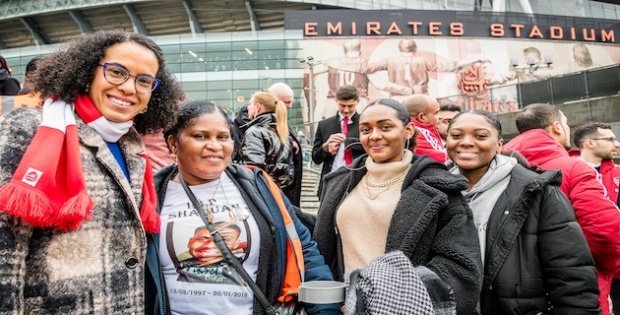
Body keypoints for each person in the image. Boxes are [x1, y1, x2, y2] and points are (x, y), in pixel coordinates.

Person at [0, 30, 184, 314]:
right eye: (116, 72)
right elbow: (5, 252)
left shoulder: (131, 144)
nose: (128, 87)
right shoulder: (28, 128)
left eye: (144, 81)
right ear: (87, 72)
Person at [146, 100, 341, 315]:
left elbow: (302, 250)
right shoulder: (149, 196)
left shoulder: (259, 186)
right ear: (174, 143)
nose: (215, 145)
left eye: (222, 137)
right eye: (200, 136)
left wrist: (326, 310)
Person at [313, 98, 482, 314]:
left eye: (385, 127)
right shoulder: (341, 181)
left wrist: (383, 299)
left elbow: (460, 268)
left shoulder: (439, 187)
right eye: (366, 129)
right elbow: (324, 234)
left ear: (408, 130)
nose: (374, 136)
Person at [447, 110, 600, 314]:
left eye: (480, 136)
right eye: (456, 135)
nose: (466, 142)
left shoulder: (538, 193)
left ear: (499, 144)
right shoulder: (431, 192)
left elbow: (572, 277)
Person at [503, 103, 620, 315]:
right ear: (557, 127)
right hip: (575, 290)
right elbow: (605, 233)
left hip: (511, 294)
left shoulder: (499, 168)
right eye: (566, 124)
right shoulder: (573, 167)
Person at [573, 122, 620, 314]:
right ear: (589, 143)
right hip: (583, 264)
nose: (616, 144)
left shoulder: (618, 172)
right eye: (610, 139)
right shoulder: (567, 171)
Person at [233, 82, 304, 207]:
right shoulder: (281, 130)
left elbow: (253, 169)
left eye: (250, 104)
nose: (247, 107)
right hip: (280, 195)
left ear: (258, 107)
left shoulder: (255, 131)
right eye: (287, 102)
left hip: (263, 197)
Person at [311, 85, 365, 197]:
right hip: (331, 181)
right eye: (342, 105)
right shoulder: (324, 125)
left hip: (358, 180)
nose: (346, 110)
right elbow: (316, 159)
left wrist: (347, 141)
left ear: (358, 101)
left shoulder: (365, 122)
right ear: (336, 101)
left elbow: (370, 146)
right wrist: (325, 148)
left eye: (350, 106)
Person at [403, 94, 448, 163]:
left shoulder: (408, 129)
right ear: (421, 117)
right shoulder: (420, 133)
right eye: (436, 113)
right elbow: (442, 159)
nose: (440, 117)